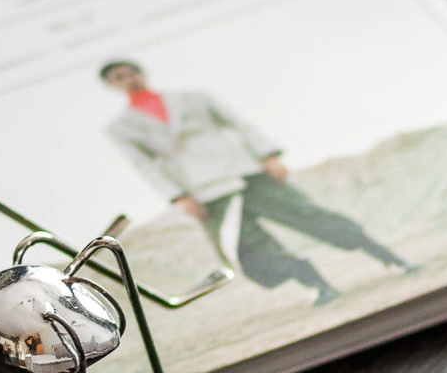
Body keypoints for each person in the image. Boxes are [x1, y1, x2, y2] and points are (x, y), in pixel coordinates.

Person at [100, 60, 410, 302]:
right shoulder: (122, 127)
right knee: (248, 248)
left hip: (246, 172)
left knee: (309, 215)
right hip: (205, 192)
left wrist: (268, 155)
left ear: (142, 72)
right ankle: (316, 285)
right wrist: (179, 197)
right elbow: (143, 164)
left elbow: (238, 124)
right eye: (119, 77)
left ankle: (390, 258)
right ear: (112, 85)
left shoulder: (192, 97)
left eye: (131, 72)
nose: (128, 79)